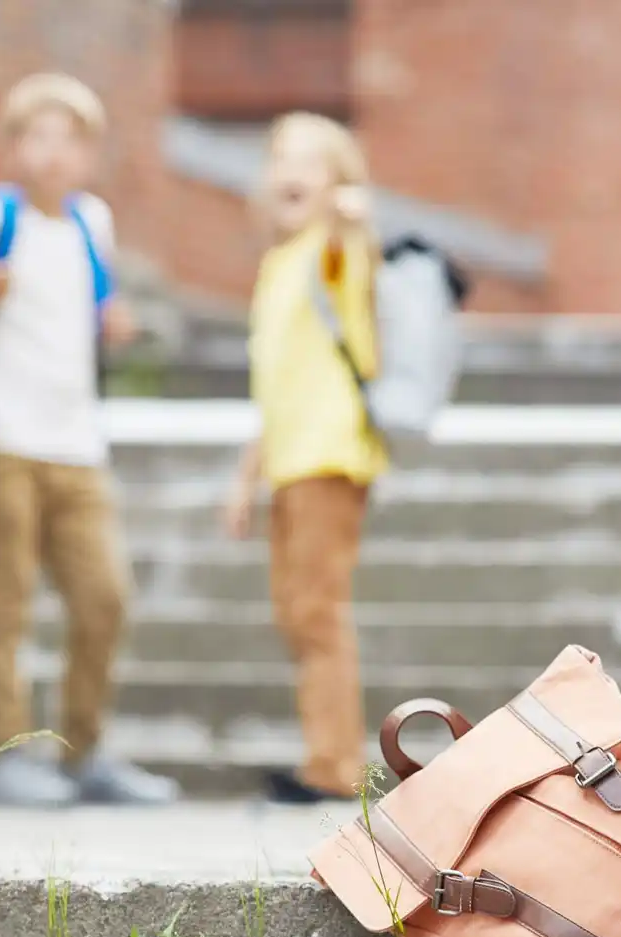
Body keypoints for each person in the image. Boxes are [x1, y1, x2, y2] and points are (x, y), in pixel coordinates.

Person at [0, 74, 177, 806]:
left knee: (104, 596)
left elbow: (94, 301)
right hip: (3, 441)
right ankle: (7, 750)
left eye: (70, 138)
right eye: (38, 135)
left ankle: (85, 748)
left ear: (89, 153)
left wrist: (115, 319)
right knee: (6, 602)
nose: (54, 153)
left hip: (78, 444)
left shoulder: (94, 222)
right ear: (15, 146)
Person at [224, 113, 385, 804]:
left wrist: (352, 216)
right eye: (280, 158)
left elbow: (357, 249)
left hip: (329, 455)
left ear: (337, 181)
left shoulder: (332, 250)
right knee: (295, 611)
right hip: (288, 460)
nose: (291, 172)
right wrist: (245, 479)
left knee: (317, 610)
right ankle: (325, 752)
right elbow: (276, 384)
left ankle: (335, 764)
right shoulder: (277, 263)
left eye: (310, 162)